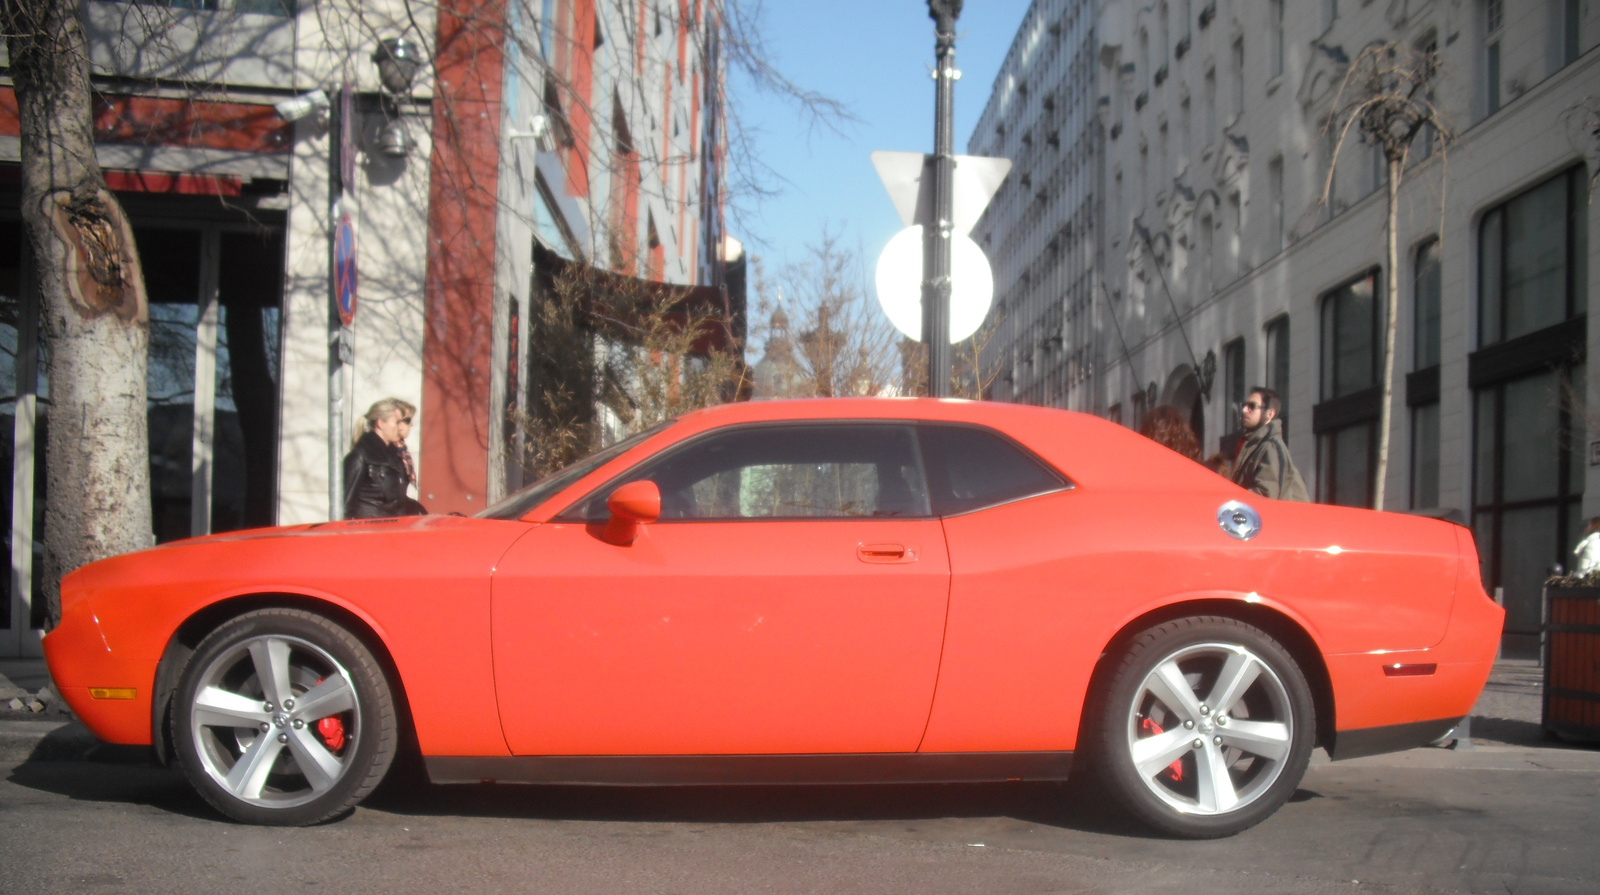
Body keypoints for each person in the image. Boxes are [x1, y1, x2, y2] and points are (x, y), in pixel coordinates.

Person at [343, 398, 427, 518]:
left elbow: (394, 501)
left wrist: (415, 508)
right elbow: (343, 504)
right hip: (368, 532)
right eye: (397, 422)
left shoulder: (396, 456)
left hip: (391, 531)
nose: (400, 427)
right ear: (380, 423)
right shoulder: (361, 456)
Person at [1231, 387, 1309, 502]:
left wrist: (1230, 499)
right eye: (1244, 405)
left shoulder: (1271, 447)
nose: (1244, 410)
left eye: (1251, 406)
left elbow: (1266, 496)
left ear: (1269, 413)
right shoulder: (1256, 445)